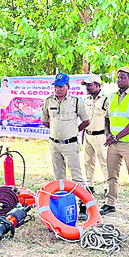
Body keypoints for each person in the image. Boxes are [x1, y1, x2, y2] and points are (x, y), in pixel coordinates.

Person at [100, 66, 129, 222]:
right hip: (112, 143)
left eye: (123, 78)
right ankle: (110, 202)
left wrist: (117, 136)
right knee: (111, 175)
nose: (119, 80)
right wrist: (107, 134)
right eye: (118, 78)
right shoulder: (112, 96)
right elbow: (107, 118)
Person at [41, 73, 90, 218]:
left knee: (76, 176)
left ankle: (82, 206)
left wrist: (74, 132)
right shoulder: (49, 101)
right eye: (56, 86)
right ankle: (61, 205)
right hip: (54, 144)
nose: (58, 89)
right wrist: (56, 131)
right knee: (59, 177)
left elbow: (86, 121)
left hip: (70, 144)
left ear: (68, 86)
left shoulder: (76, 102)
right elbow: (44, 120)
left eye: (61, 87)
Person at [81, 75, 109, 198]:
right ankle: (89, 185)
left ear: (97, 85)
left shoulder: (106, 99)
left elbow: (110, 118)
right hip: (88, 134)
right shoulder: (86, 100)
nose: (87, 87)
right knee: (88, 161)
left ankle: (108, 187)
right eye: (86, 85)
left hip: (101, 135)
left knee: (105, 162)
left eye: (89, 85)